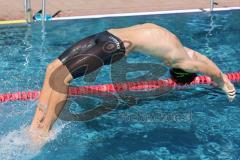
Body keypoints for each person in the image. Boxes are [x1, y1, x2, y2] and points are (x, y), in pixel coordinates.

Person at [30, 23, 236, 136]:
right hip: (111, 43)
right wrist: (223, 83)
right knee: (56, 74)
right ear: (181, 71)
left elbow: (204, 58)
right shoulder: (183, 61)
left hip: (107, 36)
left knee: (56, 72)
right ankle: (40, 128)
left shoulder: (179, 46)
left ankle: (41, 127)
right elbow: (207, 68)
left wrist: (223, 75)